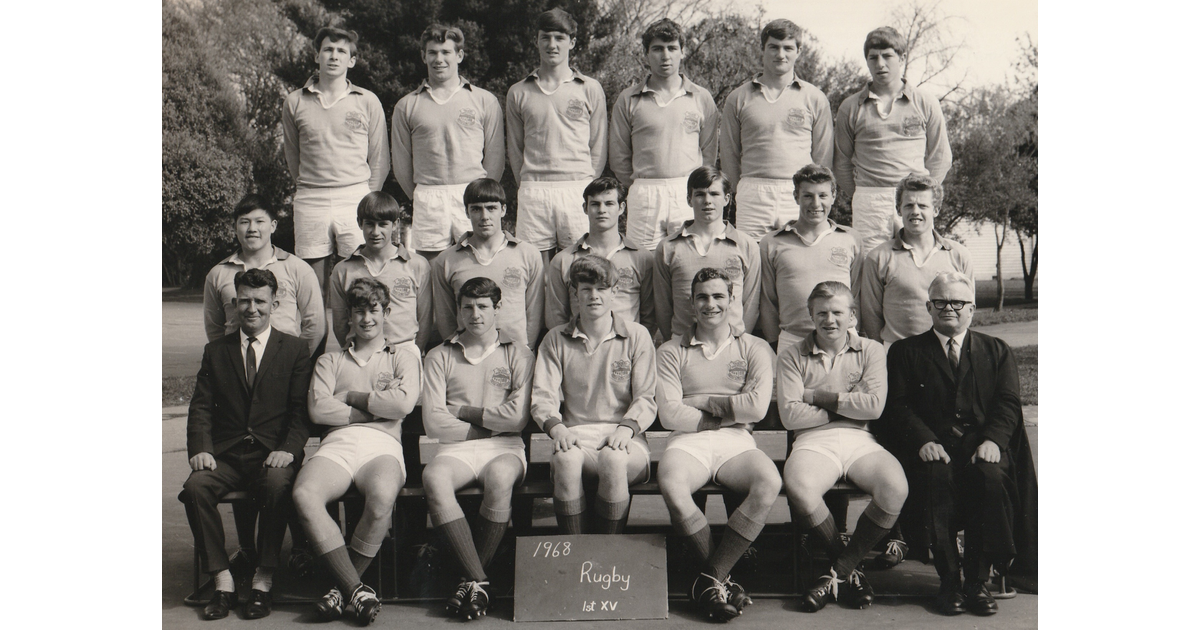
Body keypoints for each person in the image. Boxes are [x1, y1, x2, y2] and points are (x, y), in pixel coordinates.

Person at [879, 272, 1037, 617]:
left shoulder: (996, 350)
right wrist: (923, 440)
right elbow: (898, 406)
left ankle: (976, 582)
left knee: (990, 481)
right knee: (935, 480)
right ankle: (949, 580)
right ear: (928, 307)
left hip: (982, 447)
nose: (949, 308)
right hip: (932, 448)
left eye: (958, 302)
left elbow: (1008, 403)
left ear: (973, 309)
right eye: (940, 302)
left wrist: (994, 440)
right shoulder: (905, 352)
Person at [180, 268, 312, 620]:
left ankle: (262, 580)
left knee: (276, 483)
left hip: (272, 454)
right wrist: (201, 448)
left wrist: (289, 449)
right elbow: (201, 406)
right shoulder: (216, 351)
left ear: (275, 303)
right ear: (234, 303)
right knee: (195, 488)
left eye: (259, 301)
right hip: (226, 455)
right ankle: (222, 581)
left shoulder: (295, 349)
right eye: (244, 301)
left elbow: (301, 412)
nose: (251, 308)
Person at [292, 277, 420, 625]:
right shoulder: (330, 362)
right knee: (305, 494)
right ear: (348, 316)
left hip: (383, 446)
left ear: (386, 312)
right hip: (338, 443)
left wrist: (348, 397)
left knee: (381, 498)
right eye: (359, 311)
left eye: (374, 310)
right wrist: (377, 407)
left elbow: (404, 404)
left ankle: (340, 589)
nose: (366, 319)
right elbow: (319, 410)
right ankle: (354, 589)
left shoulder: (402, 357)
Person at [655, 268, 779, 621]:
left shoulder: (754, 346)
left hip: (736, 441)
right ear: (692, 304)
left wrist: (696, 401)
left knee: (768, 481)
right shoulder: (670, 350)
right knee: (673, 485)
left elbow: (756, 407)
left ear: (732, 299)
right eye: (703, 297)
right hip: (687, 442)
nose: (711, 304)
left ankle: (710, 578)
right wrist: (729, 408)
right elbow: (669, 414)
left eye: (718, 296)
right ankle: (722, 578)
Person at [776, 281, 907, 613]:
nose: (829, 320)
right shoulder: (792, 354)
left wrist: (816, 397)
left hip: (860, 439)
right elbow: (791, 415)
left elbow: (874, 407)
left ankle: (838, 572)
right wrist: (849, 403)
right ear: (810, 315)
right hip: (812, 441)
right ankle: (849, 569)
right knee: (801, 489)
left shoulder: (871, 350)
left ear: (852, 316)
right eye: (821, 313)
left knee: (895, 488)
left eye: (837, 312)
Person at [422, 277, 535, 620]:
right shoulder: (440, 354)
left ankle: (468, 579)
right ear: (458, 310)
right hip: (455, 448)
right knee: (434, 478)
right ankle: (478, 581)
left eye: (483, 306)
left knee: (500, 477)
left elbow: (516, 419)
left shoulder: (518, 352)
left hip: (504, 447)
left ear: (497, 309)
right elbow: (433, 421)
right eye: (467, 307)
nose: (475, 314)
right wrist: (485, 423)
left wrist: (461, 411)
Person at [531, 255, 657, 535]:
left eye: (602, 289)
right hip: (575, 435)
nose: (594, 296)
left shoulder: (637, 336)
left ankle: (607, 553)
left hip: (626, 438)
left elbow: (646, 397)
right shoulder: (555, 339)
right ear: (575, 293)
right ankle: (576, 552)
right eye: (586, 289)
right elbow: (543, 397)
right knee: (565, 459)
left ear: (614, 292)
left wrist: (627, 429)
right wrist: (558, 428)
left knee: (612, 459)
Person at [283, 26, 390, 294]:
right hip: (311, 198)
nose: (334, 56)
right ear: (317, 56)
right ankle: (314, 338)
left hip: (354, 197)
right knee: (311, 286)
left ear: (351, 61)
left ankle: (354, 338)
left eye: (341, 51)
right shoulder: (295, 101)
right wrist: (310, 183)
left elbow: (379, 158)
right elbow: (292, 155)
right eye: (328, 49)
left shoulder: (368, 101)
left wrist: (368, 201)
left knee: (357, 284)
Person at [834, 26, 952, 253]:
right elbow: (841, 162)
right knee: (870, 267)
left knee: (915, 264)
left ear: (902, 57)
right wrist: (863, 193)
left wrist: (921, 193)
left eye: (887, 56)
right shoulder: (850, 107)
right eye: (873, 57)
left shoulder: (925, 102)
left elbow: (941, 157)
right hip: (870, 200)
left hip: (913, 200)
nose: (880, 64)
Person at [391, 24, 505, 259]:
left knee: (477, 267)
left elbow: (495, 156)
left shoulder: (484, 100)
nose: (439, 59)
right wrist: (420, 197)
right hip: (429, 196)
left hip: (473, 193)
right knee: (432, 273)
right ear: (424, 56)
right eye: (432, 53)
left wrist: (483, 196)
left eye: (446, 52)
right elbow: (401, 163)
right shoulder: (407, 105)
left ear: (459, 55)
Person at [506, 7, 607, 266]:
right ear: (536, 40)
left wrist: (586, 187)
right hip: (534, 191)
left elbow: (598, 145)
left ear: (572, 42)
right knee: (533, 270)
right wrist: (529, 182)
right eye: (546, 37)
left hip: (577, 189)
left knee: (583, 268)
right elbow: (516, 149)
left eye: (560, 38)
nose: (552, 45)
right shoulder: (518, 92)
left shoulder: (590, 88)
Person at [608, 18, 718, 251]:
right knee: (643, 265)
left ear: (682, 52)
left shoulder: (701, 97)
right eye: (657, 49)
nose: (665, 56)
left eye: (672, 48)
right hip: (645, 192)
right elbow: (619, 156)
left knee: (689, 259)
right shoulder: (628, 99)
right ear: (646, 54)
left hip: (687, 191)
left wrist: (694, 186)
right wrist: (641, 183)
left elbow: (709, 152)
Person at [719, 19, 833, 241]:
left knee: (797, 259)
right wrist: (738, 191)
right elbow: (729, 154)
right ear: (763, 48)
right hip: (753, 191)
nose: (781, 54)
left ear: (798, 51)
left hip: (799, 192)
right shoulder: (738, 98)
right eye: (774, 46)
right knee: (752, 262)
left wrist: (812, 192)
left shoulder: (814, 98)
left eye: (788, 48)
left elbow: (823, 156)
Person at [203, 194, 325, 357]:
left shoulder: (297, 269)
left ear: (273, 225)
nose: (252, 228)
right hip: (236, 364)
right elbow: (215, 329)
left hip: (284, 363)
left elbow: (315, 325)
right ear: (235, 227)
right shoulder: (218, 274)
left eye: (259, 221)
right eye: (245, 222)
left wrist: (296, 362)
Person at [759, 165, 863, 353]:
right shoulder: (772, 243)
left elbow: (856, 294)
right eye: (808, 196)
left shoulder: (851, 239)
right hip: (793, 340)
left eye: (822, 195)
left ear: (833, 195)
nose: (815, 204)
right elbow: (768, 301)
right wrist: (774, 344)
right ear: (796, 196)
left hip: (842, 339)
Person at [431, 178, 545, 352]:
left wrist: (524, 352)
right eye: (476, 209)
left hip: (515, 355)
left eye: (491, 208)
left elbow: (534, 312)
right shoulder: (446, 260)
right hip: (467, 355)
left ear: (503, 210)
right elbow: (445, 317)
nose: (484, 216)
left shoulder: (528, 254)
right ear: (467, 212)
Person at [859, 174, 973, 346]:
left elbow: (968, 310)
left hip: (945, 352)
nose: (915, 211)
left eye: (923, 205)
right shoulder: (878, 257)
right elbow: (870, 315)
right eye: (909, 205)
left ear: (936, 209)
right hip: (896, 354)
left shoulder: (959, 255)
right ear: (899, 209)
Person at [654, 166, 760, 340]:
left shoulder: (746, 245)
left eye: (714, 194)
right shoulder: (668, 247)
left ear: (727, 199)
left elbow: (751, 303)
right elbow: (662, 305)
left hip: (731, 344)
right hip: (683, 346)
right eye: (700, 194)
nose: (707, 201)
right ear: (689, 199)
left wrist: (738, 341)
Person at [545, 177, 655, 335]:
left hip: (626, 350)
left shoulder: (642, 258)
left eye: (609, 203)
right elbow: (556, 317)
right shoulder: (563, 260)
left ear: (621, 207)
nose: (602, 210)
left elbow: (649, 316)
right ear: (585, 208)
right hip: (579, 349)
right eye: (595, 204)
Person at [329, 192, 433, 352]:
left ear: (396, 224)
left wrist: (413, 354)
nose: (375, 232)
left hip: (404, 350)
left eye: (383, 224)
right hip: (361, 351)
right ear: (359, 223)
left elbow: (425, 319)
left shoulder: (417, 265)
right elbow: (340, 324)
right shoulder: (343, 270)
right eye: (369, 224)